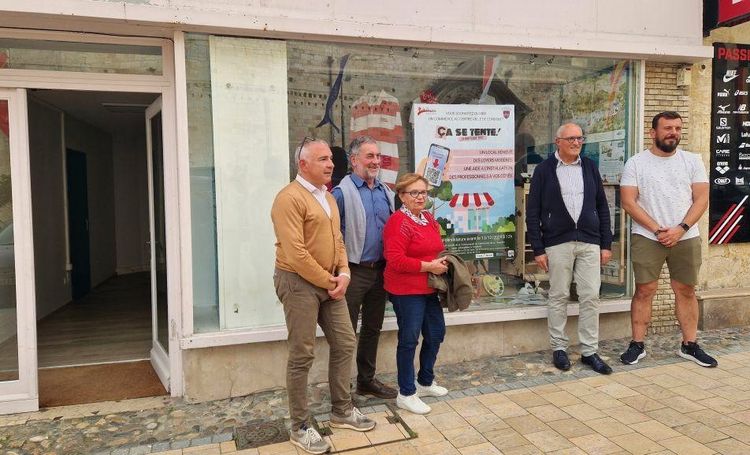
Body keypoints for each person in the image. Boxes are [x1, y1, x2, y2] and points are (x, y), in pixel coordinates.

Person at [271, 138, 375, 454]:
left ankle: (342, 411)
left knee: (345, 341)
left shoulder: (327, 197)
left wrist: (343, 273)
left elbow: (338, 240)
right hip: (298, 282)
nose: (331, 164)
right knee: (302, 354)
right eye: (323, 159)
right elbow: (296, 253)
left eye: (331, 158)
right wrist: (330, 279)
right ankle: (300, 427)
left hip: (330, 281)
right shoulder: (288, 198)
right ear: (303, 164)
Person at [619, 111, 716, 368]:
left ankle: (690, 344)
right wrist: (658, 229)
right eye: (667, 128)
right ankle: (637, 344)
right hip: (647, 236)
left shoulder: (692, 160)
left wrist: (681, 228)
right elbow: (628, 201)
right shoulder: (636, 163)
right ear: (653, 133)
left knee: (686, 290)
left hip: (686, 236)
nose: (673, 133)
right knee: (644, 290)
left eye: (677, 128)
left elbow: (702, 199)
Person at [526, 123, 614, 375]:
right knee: (558, 295)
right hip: (557, 242)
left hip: (589, 241)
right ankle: (559, 349)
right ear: (558, 142)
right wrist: (538, 248)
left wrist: (605, 243)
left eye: (580, 138)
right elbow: (532, 213)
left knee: (590, 296)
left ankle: (589, 351)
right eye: (571, 139)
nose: (577, 143)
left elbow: (602, 206)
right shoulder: (544, 170)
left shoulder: (589, 167)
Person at [332, 136, 398, 399]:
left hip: (380, 271)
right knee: (345, 333)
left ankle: (366, 381)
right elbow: (331, 236)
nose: (375, 162)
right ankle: (341, 393)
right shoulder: (340, 193)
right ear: (354, 160)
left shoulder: (386, 192)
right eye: (369, 156)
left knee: (373, 328)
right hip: (353, 271)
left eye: (378, 156)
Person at [383, 173, 449, 415]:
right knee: (409, 340)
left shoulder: (427, 218)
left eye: (423, 192)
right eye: (414, 193)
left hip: (429, 287)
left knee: (436, 333)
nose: (420, 197)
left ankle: (424, 381)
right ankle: (406, 393)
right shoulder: (398, 222)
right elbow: (395, 260)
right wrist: (429, 266)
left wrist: (441, 261)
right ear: (401, 196)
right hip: (406, 290)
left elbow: (434, 247)